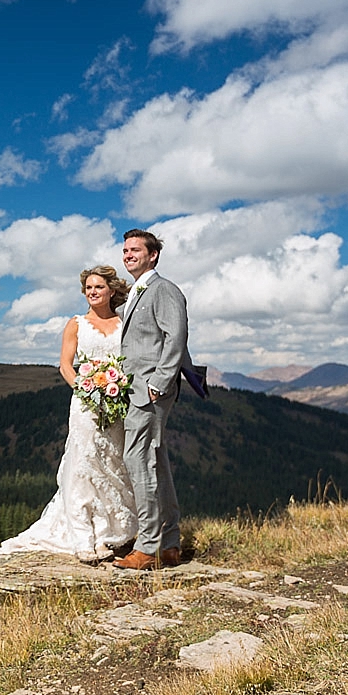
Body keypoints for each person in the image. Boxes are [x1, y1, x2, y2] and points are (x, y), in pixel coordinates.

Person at [0, 265, 140, 563]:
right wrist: (88, 390)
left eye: (98, 287)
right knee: (83, 463)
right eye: (88, 288)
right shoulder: (76, 324)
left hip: (115, 404)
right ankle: (82, 536)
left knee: (110, 462)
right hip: (86, 404)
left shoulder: (123, 323)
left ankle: (106, 535)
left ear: (111, 291)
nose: (92, 292)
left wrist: (117, 387)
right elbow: (65, 365)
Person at [113, 229, 192, 571]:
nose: (128, 255)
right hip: (136, 388)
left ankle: (147, 548)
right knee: (155, 461)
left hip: (150, 390)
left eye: (135, 250)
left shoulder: (164, 289)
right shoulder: (135, 292)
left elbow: (176, 335)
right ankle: (170, 544)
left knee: (138, 460)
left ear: (153, 255)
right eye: (125, 250)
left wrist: (159, 382)